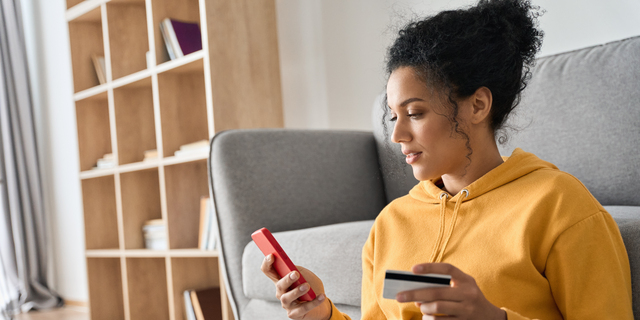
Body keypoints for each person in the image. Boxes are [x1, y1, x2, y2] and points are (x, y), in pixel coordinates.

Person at [261, 0, 634, 319]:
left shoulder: (560, 206)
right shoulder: (391, 224)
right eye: (394, 116)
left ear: (478, 105)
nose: (397, 135)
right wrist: (323, 312)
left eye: (416, 113)